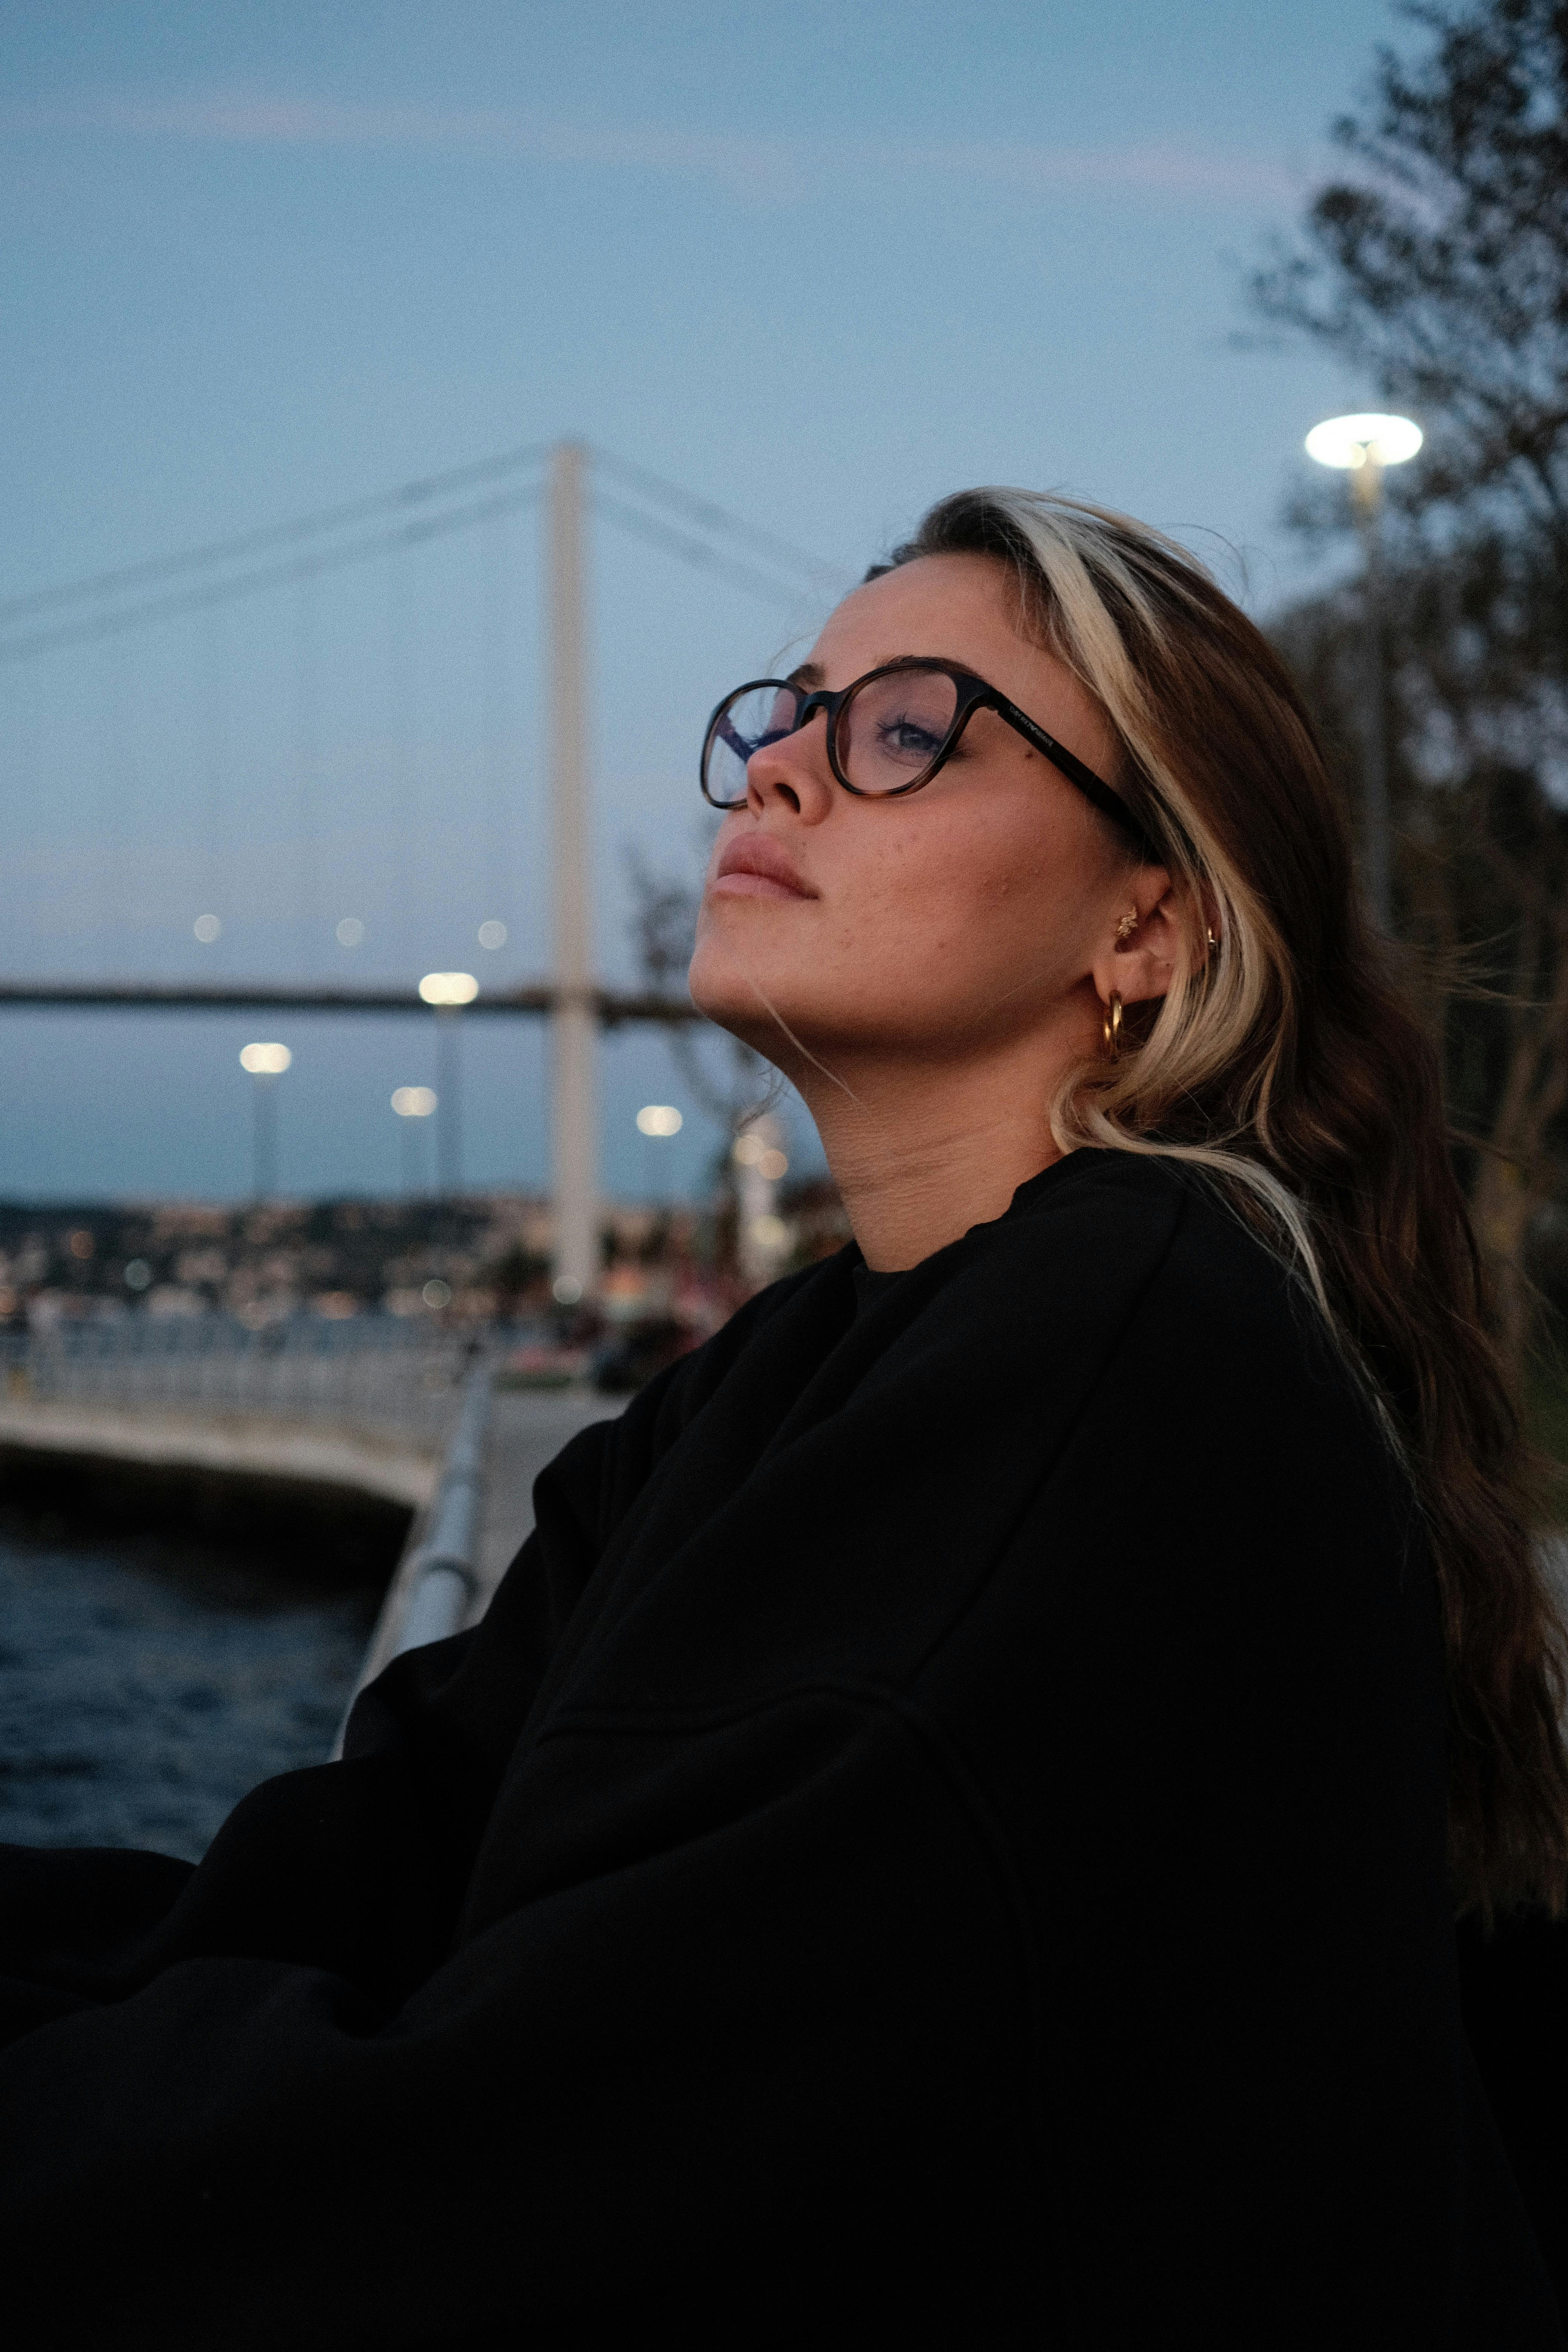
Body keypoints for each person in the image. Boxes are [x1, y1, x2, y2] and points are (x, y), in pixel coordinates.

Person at [1, 488, 1565, 2347]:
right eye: (785, 713)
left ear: (1145, 926)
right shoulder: (809, 1364)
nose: (779, 775)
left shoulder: (1120, 1373)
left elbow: (543, 2154)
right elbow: (357, 1871)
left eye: (904, 731)